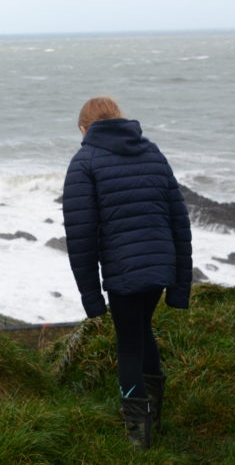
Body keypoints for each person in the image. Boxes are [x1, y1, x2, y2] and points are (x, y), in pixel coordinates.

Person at [62, 96, 193, 450]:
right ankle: (154, 416)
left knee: (129, 344)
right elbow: (180, 221)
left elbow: (81, 236)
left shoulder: (84, 161)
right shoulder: (152, 153)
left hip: (124, 271)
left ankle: (138, 433)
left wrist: (91, 297)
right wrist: (180, 284)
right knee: (140, 330)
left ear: (83, 128)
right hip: (161, 265)